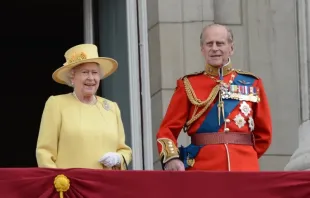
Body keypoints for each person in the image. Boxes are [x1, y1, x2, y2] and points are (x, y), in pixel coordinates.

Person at [156, 24, 272, 171]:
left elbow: (264, 134)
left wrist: (246, 155)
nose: (214, 48)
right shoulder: (188, 85)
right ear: (202, 49)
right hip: (202, 168)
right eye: (209, 44)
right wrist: (171, 158)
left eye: (220, 43)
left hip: (244, 167)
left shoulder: (252, 83)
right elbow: (167, 129)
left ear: (231, 48)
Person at [36, 44, 132, 170]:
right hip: (70, 185)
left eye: (95, 73)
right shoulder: (57, 104)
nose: (91, 78)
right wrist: (57, 182)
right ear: (72, 77)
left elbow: (124, 150)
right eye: (85, 72)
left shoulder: (111, 108)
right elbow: (45, 153)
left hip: (106, 184)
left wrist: (118, 158)